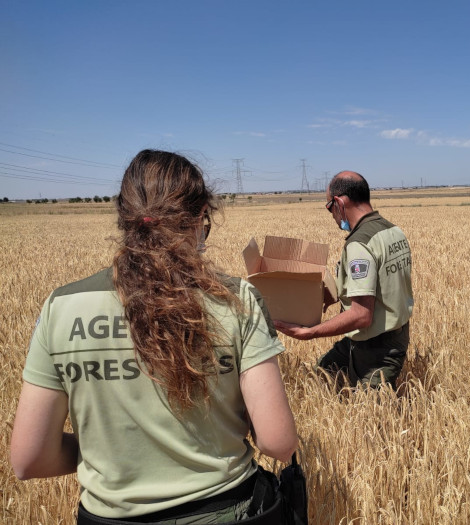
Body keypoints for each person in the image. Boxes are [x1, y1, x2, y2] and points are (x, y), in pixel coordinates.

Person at [10, 150, 298, 524]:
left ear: (124, 219)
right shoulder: (237, 299)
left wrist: (111, 448)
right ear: (199, 220)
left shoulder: (61, 307)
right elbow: (278, 443)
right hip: (228, 510)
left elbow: (29, 458)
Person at [275, 171, 413, 389]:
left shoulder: (359, 244)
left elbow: (361, 315)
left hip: (375, 347)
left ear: (339, 202)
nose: (332, 215)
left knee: (371, 416)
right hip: (393, 334)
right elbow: (382, 283)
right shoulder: (392, 230)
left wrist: (310, 333)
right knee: (323, 372)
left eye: (329, 207)